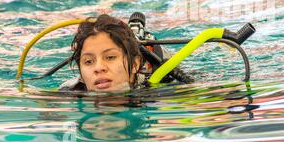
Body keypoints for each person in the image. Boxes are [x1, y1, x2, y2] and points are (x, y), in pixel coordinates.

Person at [60, 14, 192, 92]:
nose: (98, 68)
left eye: (110, 57)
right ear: (81, 74)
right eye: (88, 61)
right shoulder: (72, 90)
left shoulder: (163, 87)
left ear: (135, 64)